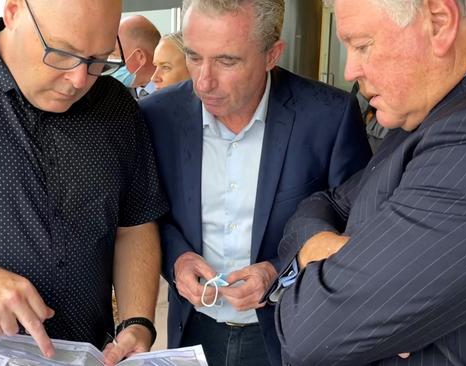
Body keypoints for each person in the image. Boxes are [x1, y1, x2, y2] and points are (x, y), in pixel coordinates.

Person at [274, 0, 466, 364]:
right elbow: (326, 203)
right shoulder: (441, 104)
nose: (350, 69)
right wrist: (313, 246)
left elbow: (308, 334)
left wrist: (319, 269)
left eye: (362, 45)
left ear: (439, 22)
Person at [0, 0, 168, 365]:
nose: (78, 80)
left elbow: (134, 223)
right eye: (62, 52)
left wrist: (137, 321)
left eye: (98, 60)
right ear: (13, 12)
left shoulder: (115, 106)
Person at [124, 0, 372, 365]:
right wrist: (177, 260)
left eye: (227, 61)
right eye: (193, 56)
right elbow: (147, 213)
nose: (203, 82)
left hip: (291, 329)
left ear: (272, 54)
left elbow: (357, 228)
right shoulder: (157, 115)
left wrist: (278, 269)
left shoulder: (329, 116)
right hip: (193, 327)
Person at [112, 15, 161, 98]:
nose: (109, 61)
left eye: (114, 55)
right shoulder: (114, 95)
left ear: (140, 57)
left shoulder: (178, 94)